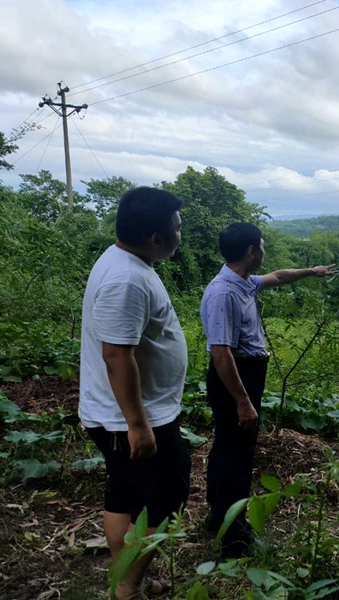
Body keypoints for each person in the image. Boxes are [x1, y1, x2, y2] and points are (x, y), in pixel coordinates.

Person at [79, 187, 190, 600]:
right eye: (178, 228)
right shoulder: (126, 278)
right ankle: (127, 589)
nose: (182, 234)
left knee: (124, 497)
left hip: (125, 416)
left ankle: (127, 580)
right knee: (166, 503)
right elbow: (116, 356)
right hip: (136, 419)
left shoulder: (128, 261)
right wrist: (138, 426)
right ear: (157, 238)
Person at [200, 222, 336, 556]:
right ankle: (234, 537)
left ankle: (218, 517)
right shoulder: (224, 293)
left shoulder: (243, 282)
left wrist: (311, 271)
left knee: (227, 447)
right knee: (237, 456)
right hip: (235, 379)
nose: (264, 252)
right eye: (261, 246)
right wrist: (243, 401)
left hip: (242, 377)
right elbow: (221, 353)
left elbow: (278, 276)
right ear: (251, 251)